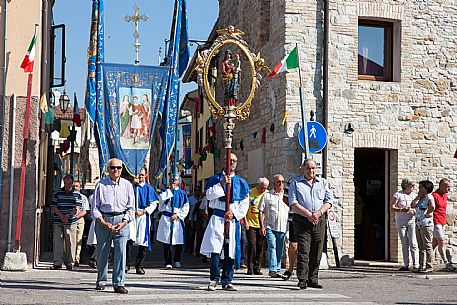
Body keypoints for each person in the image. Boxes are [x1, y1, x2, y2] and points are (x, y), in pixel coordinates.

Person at [200, 153, 249, 291]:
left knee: (230, 251)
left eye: (234, 161)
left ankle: (227, 280)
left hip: (232, 220)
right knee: (216, 250)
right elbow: (209, 196)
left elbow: (245, 203)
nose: (232, 163)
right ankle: (214, 279)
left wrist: (234, 214)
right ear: (224, 161)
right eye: (229, 160)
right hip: (217, 218)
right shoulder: (215, 179)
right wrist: (222, 183)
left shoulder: (241, 182)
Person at [91, 158, 135, 294]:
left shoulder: (127, 185)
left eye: (118, 168)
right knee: (102, 252)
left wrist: (124, 222)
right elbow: (94, 208)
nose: (116, 170)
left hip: (121, 220)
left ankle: (119, 283)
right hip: (104, 219)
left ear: (122, 169)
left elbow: (131, 207)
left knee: (121, 252)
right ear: (108, 169)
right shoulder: (101, 185)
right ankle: (101, 280)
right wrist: (102, 222)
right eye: (113, 168)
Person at [288, 159, 333, 289]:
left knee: (317, 250)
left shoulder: (323, 182)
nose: (311, 171)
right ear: (302, 169)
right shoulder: (295, 182)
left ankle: (313, 279)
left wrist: (319, 213)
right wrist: (308, 214)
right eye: (308, 168)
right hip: (302, 220)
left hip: (319, 219)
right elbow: (293, 202)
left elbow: (328, 201)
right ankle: (302, 278)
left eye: (313, 168)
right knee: (304, 250)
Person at [126, 167, 159, 275]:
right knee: (129, 239)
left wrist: (144, 211)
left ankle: (139, 265)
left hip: (143, 216)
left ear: (145, 175)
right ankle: (127, 264)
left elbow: (154, 203)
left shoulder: (149, 188)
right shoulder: (131, 187)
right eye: (138, 175)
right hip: (132, 215)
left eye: (141, 175)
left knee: (143, 242)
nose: (140, 177)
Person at [259, 174, 289, 278]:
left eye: (282, 182)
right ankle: (272, 269)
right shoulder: (267, 195)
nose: (281, 184)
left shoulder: (287, 197)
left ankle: (277, 269)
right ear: (274, 183)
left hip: (282, 227)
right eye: (278, 182)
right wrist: (262, 226)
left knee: (279, 249)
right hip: (270, 227)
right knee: (272, 246)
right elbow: (261, 211)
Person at [50, 174, 82, 270]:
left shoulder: (77, 194)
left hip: (71, 221)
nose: (67, 186)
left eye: (69, 184)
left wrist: (68, 216)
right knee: (57, 241)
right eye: (66, 184)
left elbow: (77, 208)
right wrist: (61, 216)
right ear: (63, 183)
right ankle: (57, 262)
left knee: (71, 242)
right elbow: (54, 206)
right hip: (58, 220)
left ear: (72, 183)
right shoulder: (57, 193)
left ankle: (70, 262)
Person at [157, 175, 189, 269]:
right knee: (166, 241)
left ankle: (177, 259)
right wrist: (170, 191)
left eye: (175, 180)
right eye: (171, 179)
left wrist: (178, 215)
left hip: (177, 218)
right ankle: (168, 261)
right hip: (167, 218)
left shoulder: (182, 193)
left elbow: (186, 207)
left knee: (178, 240)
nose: (173, 181)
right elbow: (161, 200)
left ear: (178, 181)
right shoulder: (165, 191)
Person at [390, 178, 419, 272]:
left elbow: (418, 207)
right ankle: (406, 264)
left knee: (413, 243)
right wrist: (402, 210)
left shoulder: (415, 196)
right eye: (412, 185)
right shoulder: (398, 194)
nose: (414, 187)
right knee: (404, 243)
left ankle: (416, 265)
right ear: (406, 186)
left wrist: (414, 211)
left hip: (411, 220)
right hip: (401, 220)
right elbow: (392, 207)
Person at [245, 177, 269, 275]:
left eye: (265, 188)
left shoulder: (267, 194)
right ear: (258, 185)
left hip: (262, 224)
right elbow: (244, 208)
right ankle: (250, 267)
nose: (264, 190)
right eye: (262, 188)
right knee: (252, 245)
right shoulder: (250, 193)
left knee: (260, 246)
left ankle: (257, 267)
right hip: (251, 223)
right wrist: (245, 221)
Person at [411, 180, 435, 273]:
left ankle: (429, 266)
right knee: (420, 247)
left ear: (426, 188)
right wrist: (418, 196)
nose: (419, 188)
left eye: (421, 187)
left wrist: (427, 213)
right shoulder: (421, 198)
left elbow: (432, 206)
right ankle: (421, 266)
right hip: (418, 224)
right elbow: (412, 205)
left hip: (426, 224)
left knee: (427, 245)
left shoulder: (429, 197)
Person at [431, 178, 455, 271]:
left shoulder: (444, 195)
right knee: (441, 241)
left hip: (442, 222)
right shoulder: (434, 195)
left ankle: (426, 260)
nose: (449, 189)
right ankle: (446, 263)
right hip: (435, 221)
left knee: (434, 243)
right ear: (441, 186)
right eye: (447, 187)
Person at [282, 183, 298, 281]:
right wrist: (296, 208)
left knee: (308, 246)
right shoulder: (292, 182)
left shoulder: (317, 182)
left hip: (310, 219)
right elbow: (285, 199)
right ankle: (291, 268)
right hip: (295, 218)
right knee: (293, 245)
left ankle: (305, 271)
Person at [73, 181, 90, 267]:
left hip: (79, 219)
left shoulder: (83, 198)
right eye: (74, 186)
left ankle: (76, 259)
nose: (75, 188)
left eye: (77, 186)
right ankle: (68, 258)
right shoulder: (69, 196)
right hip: (69, 220)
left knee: (78, 239)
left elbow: (86, 210)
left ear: (80, 188)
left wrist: (76, 217)